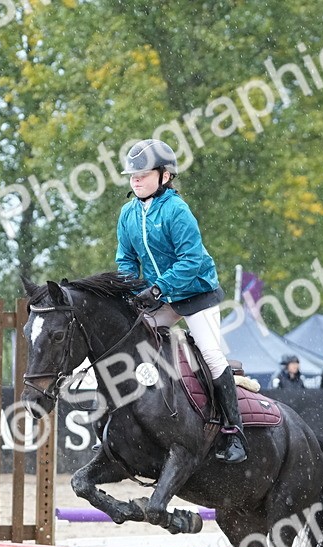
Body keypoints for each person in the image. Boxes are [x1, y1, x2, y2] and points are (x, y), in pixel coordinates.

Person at [115, 138, 245, 463]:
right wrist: (135, 292)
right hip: (163, 297)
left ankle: (234, 432)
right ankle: (125, 423)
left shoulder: (176, 210)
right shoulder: (128, 213)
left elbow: (191, 260)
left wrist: (157, 289)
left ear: (165, 176)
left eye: (143, 173)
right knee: (131, 342)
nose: (136, 179)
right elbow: (126, 261)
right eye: (133, 174)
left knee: (212, 356)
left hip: (197, 293)